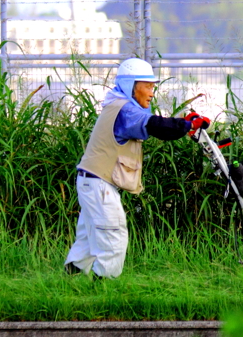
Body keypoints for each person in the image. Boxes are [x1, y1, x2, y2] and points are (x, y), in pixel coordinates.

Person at [64, 58, 208, 278]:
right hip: (98, 184)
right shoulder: (125, 111)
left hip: (91, 181)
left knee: (89, 236)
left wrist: (182, 123)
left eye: (153, 86)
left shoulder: (118, 103)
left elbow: (155, 122)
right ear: (132, 86)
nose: (152, 93)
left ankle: (70, 281)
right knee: (113, 235)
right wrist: (188, 125)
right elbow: (157, 126)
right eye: (148, 86)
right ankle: (105, 288)